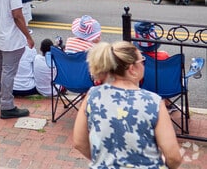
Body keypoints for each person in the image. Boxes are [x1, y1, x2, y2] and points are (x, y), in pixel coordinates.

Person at [72, 41, 181, 169]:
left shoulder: (92, 95)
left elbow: (79, 142)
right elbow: (173, 157)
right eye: (142, 61)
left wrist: (103, 161)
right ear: (132, 68)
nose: (144, 65)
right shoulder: (153, 102)